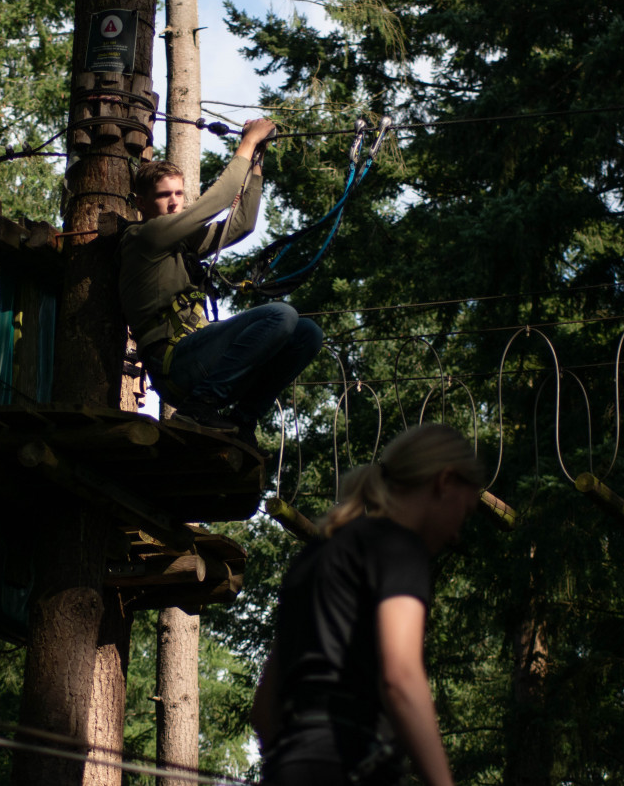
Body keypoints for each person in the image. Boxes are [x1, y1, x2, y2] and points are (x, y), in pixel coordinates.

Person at [251, 423, 485, 786]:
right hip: (351, 761)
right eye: (465, 514)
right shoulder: (399, 549)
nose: (458, 532)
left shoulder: (314, 556)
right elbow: (401, 678)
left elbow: (264, 710)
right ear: (445, 481)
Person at [118, 117, 323, 448]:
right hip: (176, 363)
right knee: (280, 315)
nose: (174, 202)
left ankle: (242, 419)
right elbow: (218, 201)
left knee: (307, 333)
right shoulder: (145, 237)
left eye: (179, 194)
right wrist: (248, 142)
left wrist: (256, 163)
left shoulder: (182, 242)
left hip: (201, 357)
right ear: (141, 203)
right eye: (163, 195)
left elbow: (240, 224)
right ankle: (199, 409)